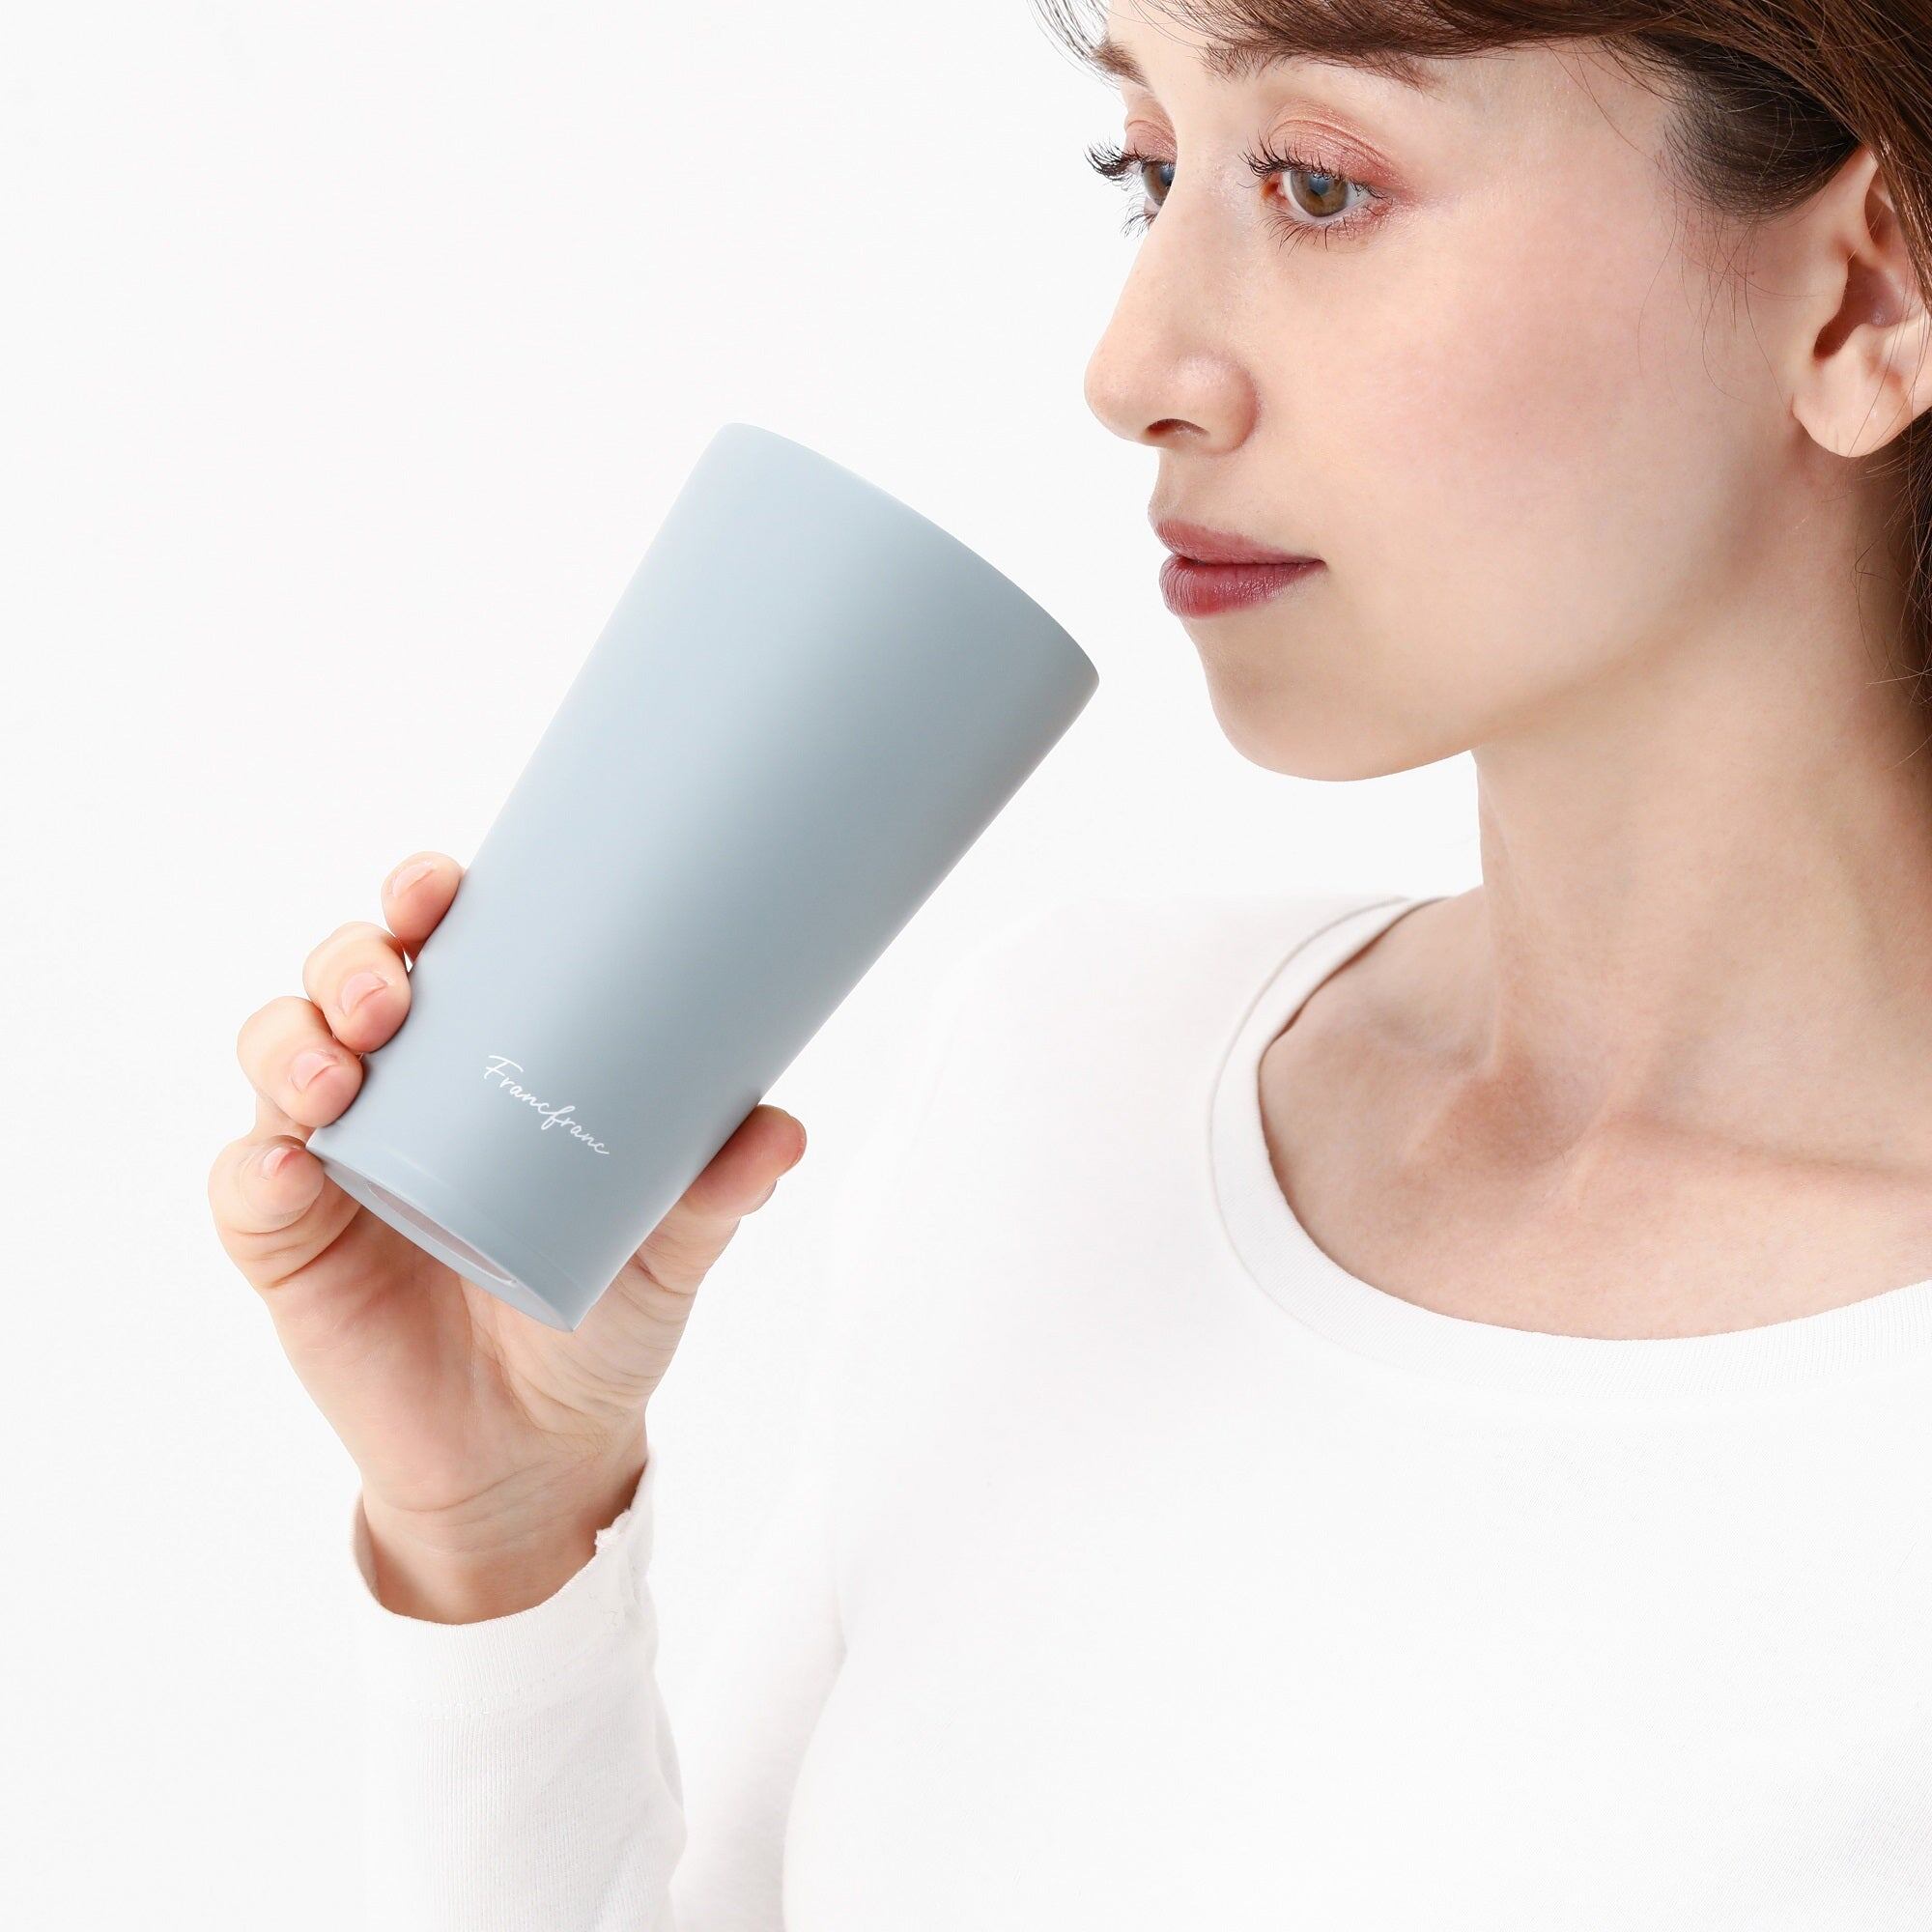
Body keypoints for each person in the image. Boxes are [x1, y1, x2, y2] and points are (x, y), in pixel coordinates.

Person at [209, 1, 1932, 1924]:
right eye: (1146, 171)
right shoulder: (1068, 1068)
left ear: (1862, 299)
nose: (1127, 372)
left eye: (1318, 184)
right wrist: (499, 1543)